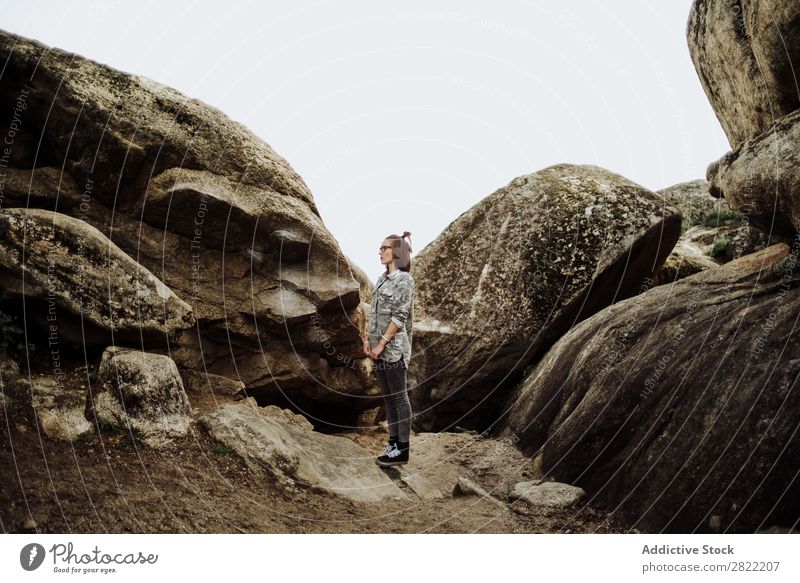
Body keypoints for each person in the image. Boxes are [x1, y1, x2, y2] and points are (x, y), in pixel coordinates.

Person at [363, 231, 415, 467]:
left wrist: (381, 343)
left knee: (399, 398)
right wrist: (367, 340)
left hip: (393, 350)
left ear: (396, 252)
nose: (380, 252)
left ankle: (402, 449)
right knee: (388, 398)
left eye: (384, 248)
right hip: (377, 349)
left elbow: (400, 316)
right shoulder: (382, 279)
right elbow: (373, 314)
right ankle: (393, 442)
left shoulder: (404, 280)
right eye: (380, 248)